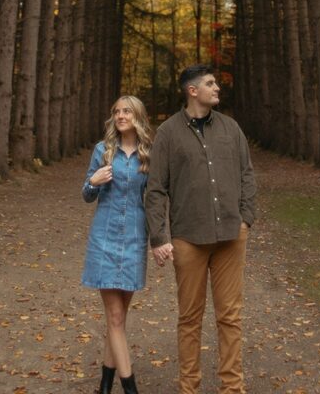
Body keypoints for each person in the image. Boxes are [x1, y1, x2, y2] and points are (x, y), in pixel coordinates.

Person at [145, 64, 257, 394]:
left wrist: (246, 218)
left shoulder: (231, 129)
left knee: (230, 318)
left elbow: (247, 175)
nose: (216, 88)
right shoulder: (167, 133)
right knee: (190, 319)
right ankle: (189, 388)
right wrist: (159, 236)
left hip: (230, 236)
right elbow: (155, 188)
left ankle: (232, 389)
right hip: (188, 238)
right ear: (192, 91)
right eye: (210, 84)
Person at [82, 95, 153, 394]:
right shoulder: (103, 150)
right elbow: (87, 194)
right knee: (114, 317)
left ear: (137, 116)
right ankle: (131, 389)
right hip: (105, 241)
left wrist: (161, 237)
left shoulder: (149, 155)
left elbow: (156, 199)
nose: (121, 116)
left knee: (119, 320)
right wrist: (94, 181)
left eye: (127, 111)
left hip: (135, 241)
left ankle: (105, 385)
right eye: (117, 112)